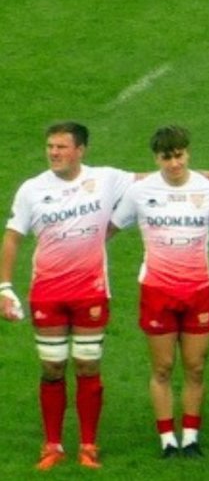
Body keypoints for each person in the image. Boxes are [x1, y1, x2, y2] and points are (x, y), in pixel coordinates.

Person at [2, 122, 135, 470]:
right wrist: (3, 287)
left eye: (61, 147)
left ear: (80, 150)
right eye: (50, 146)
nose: (53, 152)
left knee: (88, 364)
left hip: (91, 291)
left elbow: (154, 179)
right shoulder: (32, 189)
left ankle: (88, 445)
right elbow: (12, 238)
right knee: (52, 367)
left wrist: (203, 178)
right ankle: (52, 445)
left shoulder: (105, 178)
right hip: (48, 294)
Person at [110, 125, 209, 459]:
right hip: (157, 292)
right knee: (163, 368)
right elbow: (110, 227)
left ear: (188, 153)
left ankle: (191, 437)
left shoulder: (208, 190)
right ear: (157, 158)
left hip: (198, 291)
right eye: (167, 157)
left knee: (195, 367)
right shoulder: (140, 192)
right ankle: (167, 439)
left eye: (179, 155)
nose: (175, 163)